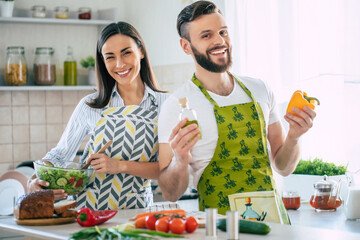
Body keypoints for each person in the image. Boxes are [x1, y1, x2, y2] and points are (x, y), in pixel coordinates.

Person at [157, 1, 316, 222]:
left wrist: (295, 136)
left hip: (274, 225)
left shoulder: (260, 89)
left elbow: (283, 166)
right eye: (206, 35)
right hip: (220, 228)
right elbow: (170, 193)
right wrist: (180, 161)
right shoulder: (176, 105)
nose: (220, 41)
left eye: (223, 32)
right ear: (186, 46)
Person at [28, 21, 168, 210]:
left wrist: (120, 166)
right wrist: (36, 178)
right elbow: (60, 154)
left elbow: (167, 169)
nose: (119, 64)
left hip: (138, 213)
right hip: (90, 211)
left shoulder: (164, 104)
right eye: (110, 57)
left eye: (126, 52)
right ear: (102, 61)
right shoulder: (91, 105)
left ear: (141, 51)